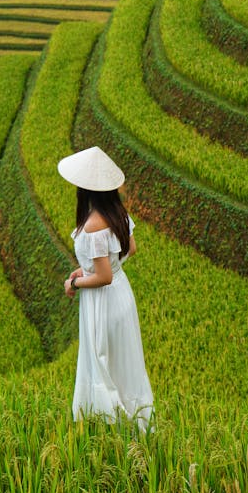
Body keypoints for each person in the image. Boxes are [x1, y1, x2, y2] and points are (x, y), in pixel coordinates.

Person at [58, 146, 153, 430]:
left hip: (103, 301)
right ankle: (137, 424)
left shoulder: (93, 226)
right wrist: (91, 268)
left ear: (86, 189)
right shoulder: (117, 214)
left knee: (103, 362)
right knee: (126, 363)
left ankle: (110, 426)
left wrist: (74, 282)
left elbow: (103, 277)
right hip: (122, 295)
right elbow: (129, 250)